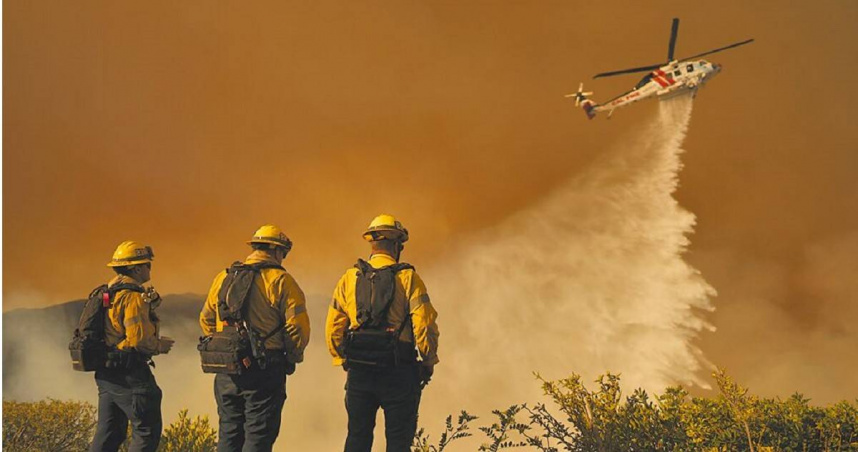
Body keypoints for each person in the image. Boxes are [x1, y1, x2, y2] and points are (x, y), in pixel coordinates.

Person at [326, 214, 440, 452]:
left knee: (357, 436)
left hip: (359, 372)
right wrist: (428, 360)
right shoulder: (408, 278)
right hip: (399, 370)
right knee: (398, 441)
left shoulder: (349, 278)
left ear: (372, 243)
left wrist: (341, 358)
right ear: (397, 244)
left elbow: (333, 326)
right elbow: (424, 324)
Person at [200, 225, 310, 452]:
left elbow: (206, 318)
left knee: (229, 434)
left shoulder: (224, 277)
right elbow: (297, 328)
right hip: (265, 369)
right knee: (258, 436)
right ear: (277, 251)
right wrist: (292, 357)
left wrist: (226, 348)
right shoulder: (281, 280)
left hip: (226, 371)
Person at [90, 241, 174, 452]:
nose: (149, 269)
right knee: (146, 432)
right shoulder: (133, 297)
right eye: (147, 264)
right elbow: (138, 340)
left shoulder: (108, 292)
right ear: (135, 268)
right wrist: (159, 345)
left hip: (107, 373)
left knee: (108, 434)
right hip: (130, 374)